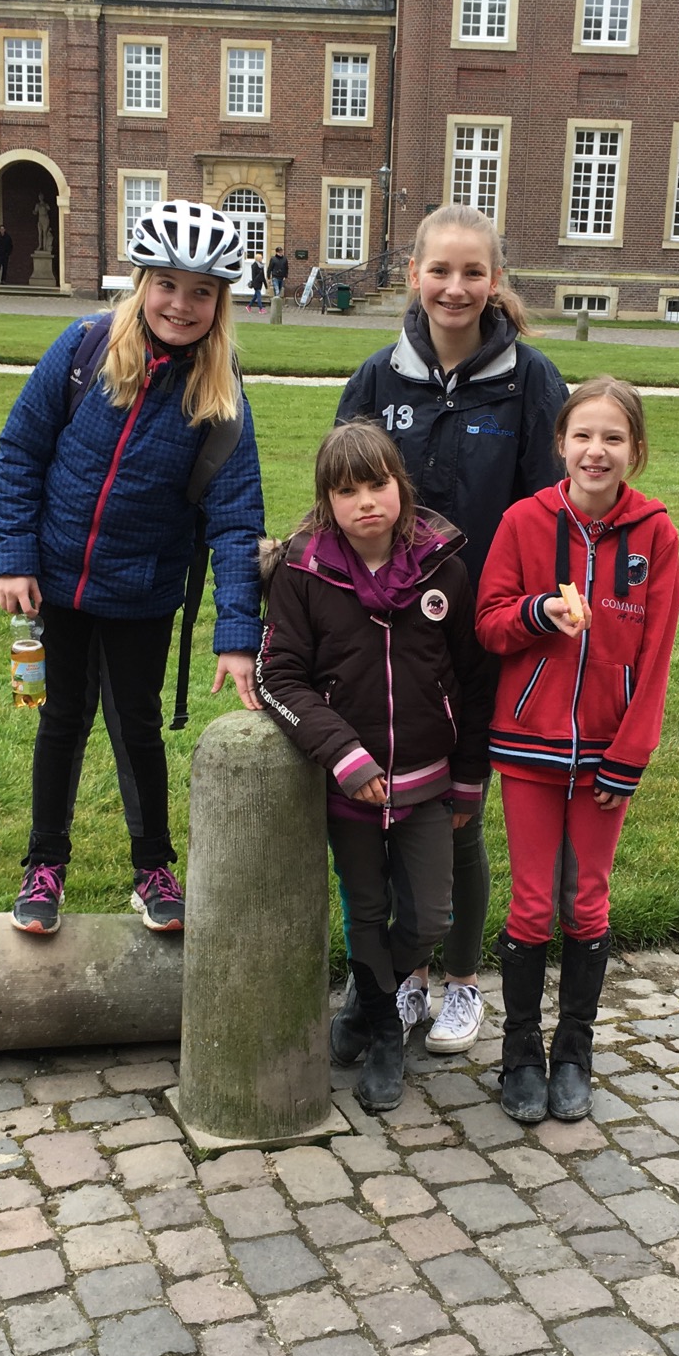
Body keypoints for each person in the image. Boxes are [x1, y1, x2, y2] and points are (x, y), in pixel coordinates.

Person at [0, 198, 265, 938]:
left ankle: (153, 869)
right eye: (168, 284)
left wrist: (239, 634)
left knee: (136, 729)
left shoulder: (221, 397)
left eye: (202, 291)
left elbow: (238, 521)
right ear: (142, 283)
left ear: (220, 303)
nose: (182, 303)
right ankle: (43, 865)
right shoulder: (82, 350)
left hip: (143, 593)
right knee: (61, 721)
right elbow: (21, 449)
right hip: (56, 584)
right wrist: (12, 555)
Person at [333, 201, 567, 1056]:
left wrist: (531, 612)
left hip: (482, 638)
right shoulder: (376, 379)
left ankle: (463, 979)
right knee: (396, 808)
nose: (456, 287)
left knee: (460, 808)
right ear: (414, 277)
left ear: (496, 281)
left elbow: (550, 511)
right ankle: (408, 976)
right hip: (387, 634)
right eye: (441, 270)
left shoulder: (532, 382)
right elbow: (343, 493)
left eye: (474, 272)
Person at [257, 421, 490, 1110]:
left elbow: (475, 678)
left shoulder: (443, 564)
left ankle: (363, 1006)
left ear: (401, 485)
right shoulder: (302, 571)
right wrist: (343, 754)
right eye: (347, 490)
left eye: (378, 484)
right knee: (366, 905)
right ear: (326, 501)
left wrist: (470, 773)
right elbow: (279, 676)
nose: (366, 503)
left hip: (428, 780)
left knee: (429, 918)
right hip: (350, 784)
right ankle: (385, 1029)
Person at [476, 377, 679, 1125]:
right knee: (532, 903)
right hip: (528, 747)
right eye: (583, 436)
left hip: (604, 758)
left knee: (586, 900)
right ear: (560, 444)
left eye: (614, 438)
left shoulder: (656, 534)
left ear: (636, 451)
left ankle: (575, 1049)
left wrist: (629, 756)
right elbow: (491, 623)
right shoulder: (524, 521)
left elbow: (655, 655)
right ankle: (521, 1051)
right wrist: (540, 612)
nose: (597, 451)